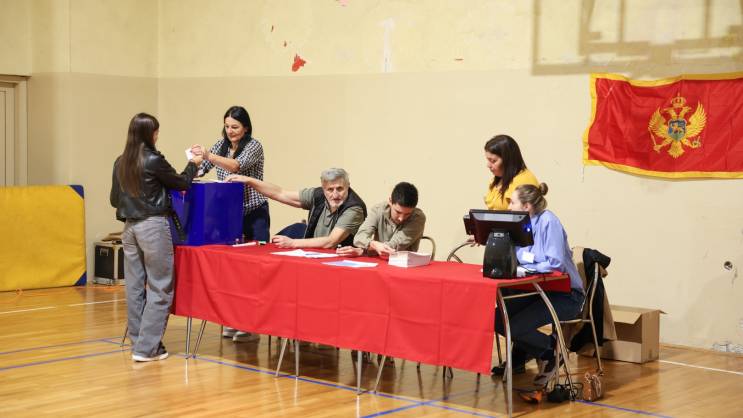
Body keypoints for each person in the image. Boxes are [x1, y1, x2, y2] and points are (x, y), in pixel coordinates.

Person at [110, 113, 202, 362]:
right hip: (152, 226)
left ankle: (140, 343)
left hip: (129, 228)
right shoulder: (152, 159)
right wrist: (194, 163)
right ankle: (146, 349)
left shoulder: (120, 161)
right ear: (151, 133)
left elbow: (114, 200)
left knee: (134, 287)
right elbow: (181, 182)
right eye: (156, 131)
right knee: (160, 287)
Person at [492, 183, 584, 387]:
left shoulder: (549, 221)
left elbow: (555, 263)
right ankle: (544, 351)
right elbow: (515, 256)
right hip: (537, 290)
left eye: (512, 202)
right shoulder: (519, 224)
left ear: (526, 206)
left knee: (514, 327)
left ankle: (550, 352)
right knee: (496, 319)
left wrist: (527, 263)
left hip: (565, 295)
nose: (509, 207)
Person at [226, 168, 366, 249]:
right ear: (323, 189)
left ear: (348, 186)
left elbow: (331, 241)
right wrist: (249, 180)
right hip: (315, 255)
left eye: (340, 189)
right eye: (330, 189)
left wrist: (292, 242)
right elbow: (280, 193)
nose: (335, 195)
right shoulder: (317, 194)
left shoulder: (354, 208)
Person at [191, 106, 270, 242]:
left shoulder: (254, 145)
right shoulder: (220, 145)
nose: (229, 131)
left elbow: (235, 166)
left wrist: (209, 155)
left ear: (246, 128)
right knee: (231, 249)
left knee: (260, 247)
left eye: (234, 127)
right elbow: (202, 169)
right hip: (230, 211)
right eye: (226, 126)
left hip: (254, 211)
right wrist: (193, 163)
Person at [337, 182, 426, 258]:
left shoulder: (418, 218)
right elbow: (359, 237)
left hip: (404, 264)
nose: (401, 218)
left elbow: (392, 247)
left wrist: (363, 250)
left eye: (407, 214)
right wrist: (373, 244)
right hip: (378, 260)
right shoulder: (378, 210)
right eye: (398, 212)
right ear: (390, 201)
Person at [483, 135, 539, 210]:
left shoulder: (524, 181)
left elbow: (527, 214)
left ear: (508, 160)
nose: (488, 165)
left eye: (493, 161)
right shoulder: (498, 179)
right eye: (488, 160)